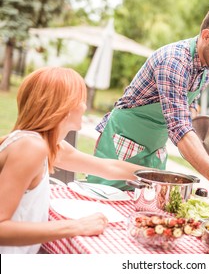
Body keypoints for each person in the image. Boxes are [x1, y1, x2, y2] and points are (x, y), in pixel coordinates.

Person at [87, 6, 209, 211]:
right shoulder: (173, 62)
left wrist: (196, 124)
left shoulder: (207, 68)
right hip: (122, 144)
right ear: (206, 36)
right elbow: (179, 128)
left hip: (154, 151)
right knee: (99, 208)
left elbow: (189, 104)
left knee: (146, 212)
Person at [0, 67, 147, 254]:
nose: (84, 106)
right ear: (66, 107)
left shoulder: (47, 145)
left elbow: (108, 167)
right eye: (81, 99)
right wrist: (77, 226)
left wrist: (164, 178)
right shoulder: (31, 147)